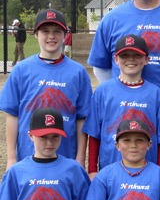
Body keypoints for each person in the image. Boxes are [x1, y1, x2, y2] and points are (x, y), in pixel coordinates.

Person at [0, 9, 92, 169]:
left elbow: (81, 119)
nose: (51, 36)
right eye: (45, 31)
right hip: (28, 156)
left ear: (65, 35)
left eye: (57, 31)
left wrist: (79, 158)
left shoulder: (78, 72)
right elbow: (13, 116)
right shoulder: (21, 70)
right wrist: (11, 158)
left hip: (66, 156)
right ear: (35, 34)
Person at [83, 34, 160, 178]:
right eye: (124, 55)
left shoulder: (156, 94)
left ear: (147, 60)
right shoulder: (103, 92)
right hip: (110, 169)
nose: (131, 59)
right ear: (116, 59)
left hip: (148, 173)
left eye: (136, 55)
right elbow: (94, 134)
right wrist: (92, 170)